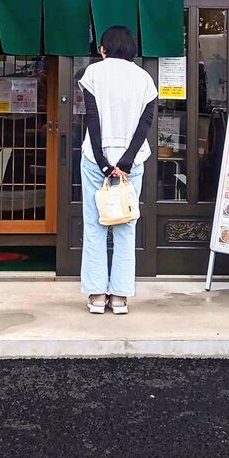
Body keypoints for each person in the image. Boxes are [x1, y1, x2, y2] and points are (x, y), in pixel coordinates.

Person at [78, 25, 158, 314]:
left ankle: (98, 295)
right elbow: (145, 123)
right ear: (131, 49)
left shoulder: (93, 73)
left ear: (103, 49)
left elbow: (92, 118)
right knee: (126, 226)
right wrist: (126, 161)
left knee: (95, 225)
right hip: (131, 163)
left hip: (95, 160)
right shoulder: (144, 78)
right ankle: (121, 297)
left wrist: (103, 161)